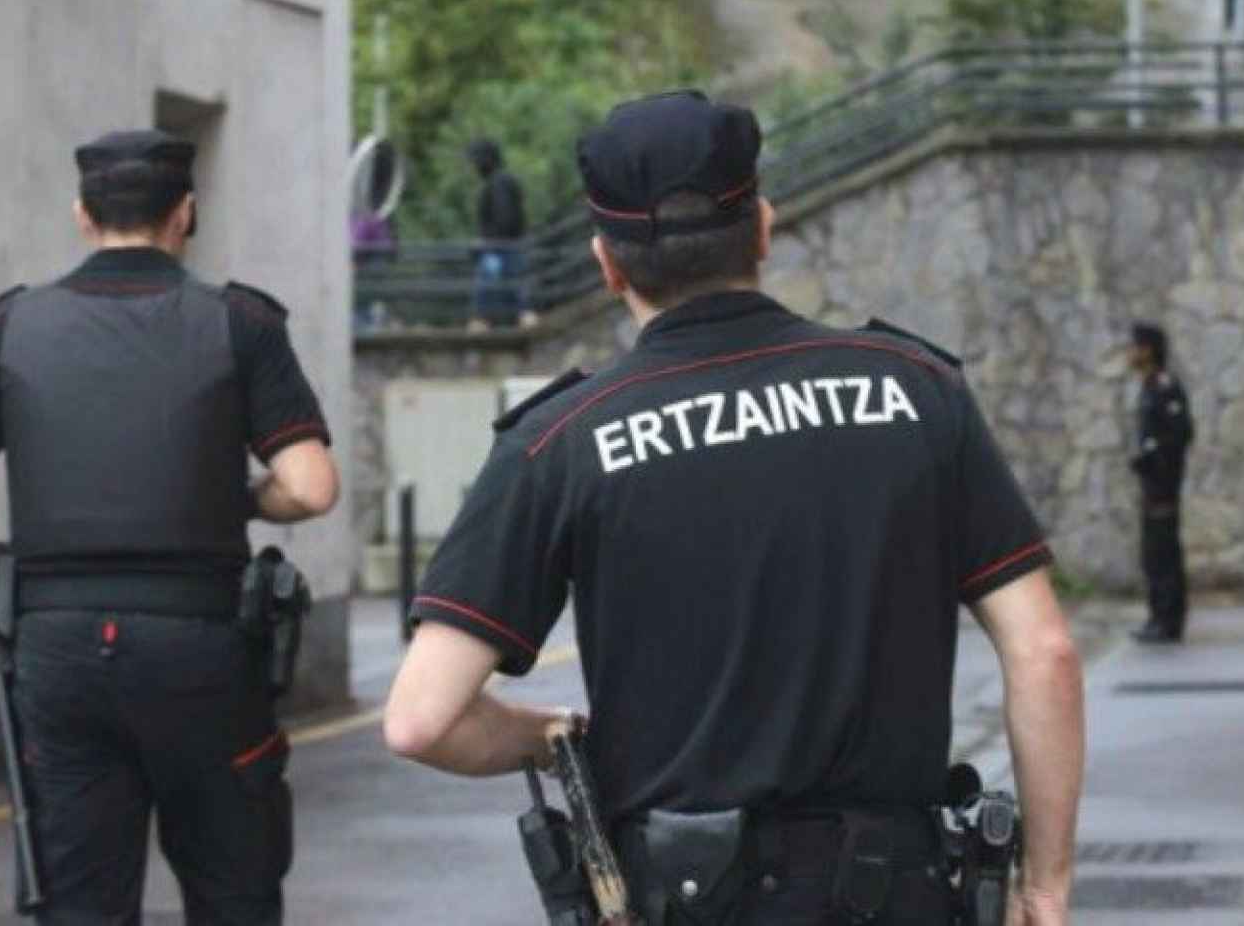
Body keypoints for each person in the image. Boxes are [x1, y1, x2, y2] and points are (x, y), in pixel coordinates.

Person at [385, 91, 1084, 925]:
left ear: (606, 263)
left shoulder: (559, 441)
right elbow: (1044, 652)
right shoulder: (914, 390)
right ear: (763, 226)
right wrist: (1043, 885)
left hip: (687, 897)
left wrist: (553, 736)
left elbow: (423, 721)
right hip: (899, 892)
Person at [0, 129, 340, 925]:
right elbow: (310, 487)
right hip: (203, 650)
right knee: (235, 896)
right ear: (186, 215)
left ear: (81, 216)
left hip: (60, 656)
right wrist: (222, 493)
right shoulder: (241, 322)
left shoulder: (10, 329)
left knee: (80, 907)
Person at [1127, 322, 1194, 644]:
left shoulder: (1166, 387)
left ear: (1149, 349)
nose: (1131, 353)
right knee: (1152, 553)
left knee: (1164, 553)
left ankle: (1169, 620)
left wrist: (1155, 458)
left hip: (1163, 485)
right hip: (1150, 486)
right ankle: (1157, 615)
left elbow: (1180, 433)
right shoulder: (1149, 386)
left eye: (1136, 346)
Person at [466, 138, 533, 331]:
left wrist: (485, 240)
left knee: (491, 282)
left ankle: (483, 319)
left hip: (500, 246)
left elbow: (505, 218)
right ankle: (516, 316)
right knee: (512, 282)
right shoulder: (502, 181)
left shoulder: (498, 183)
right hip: (506, 244)